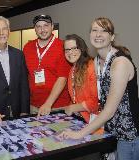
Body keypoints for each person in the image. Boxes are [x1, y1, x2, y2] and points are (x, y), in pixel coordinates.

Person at [58, 17, 139, 160]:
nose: (98, 34)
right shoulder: (97, 62)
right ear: (90, 35)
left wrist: (79, 134)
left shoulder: (119, 62)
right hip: (111, 132)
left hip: (128, 136)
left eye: (104, 30)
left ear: (112, 36)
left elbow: (109, 110)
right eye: (94, 30)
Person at [23, 15, 71, 117]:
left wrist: (48, 104)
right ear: (34, 29)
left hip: (57, 106)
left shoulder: (62, 46)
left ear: (52, 26)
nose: (42, 29)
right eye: (38, 26)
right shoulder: (27, 48)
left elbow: (62, 78)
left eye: (46, 25)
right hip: (34, 105)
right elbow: (26, 76)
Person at [63, 34, 98, 123]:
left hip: (96, 123)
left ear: (82, 49)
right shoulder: (72, 69)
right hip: (81, 120)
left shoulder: (91, 67)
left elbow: (96, 102)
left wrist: (73, 108)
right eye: (67, 50)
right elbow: (75, 98)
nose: (70, 52)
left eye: (75, 48)